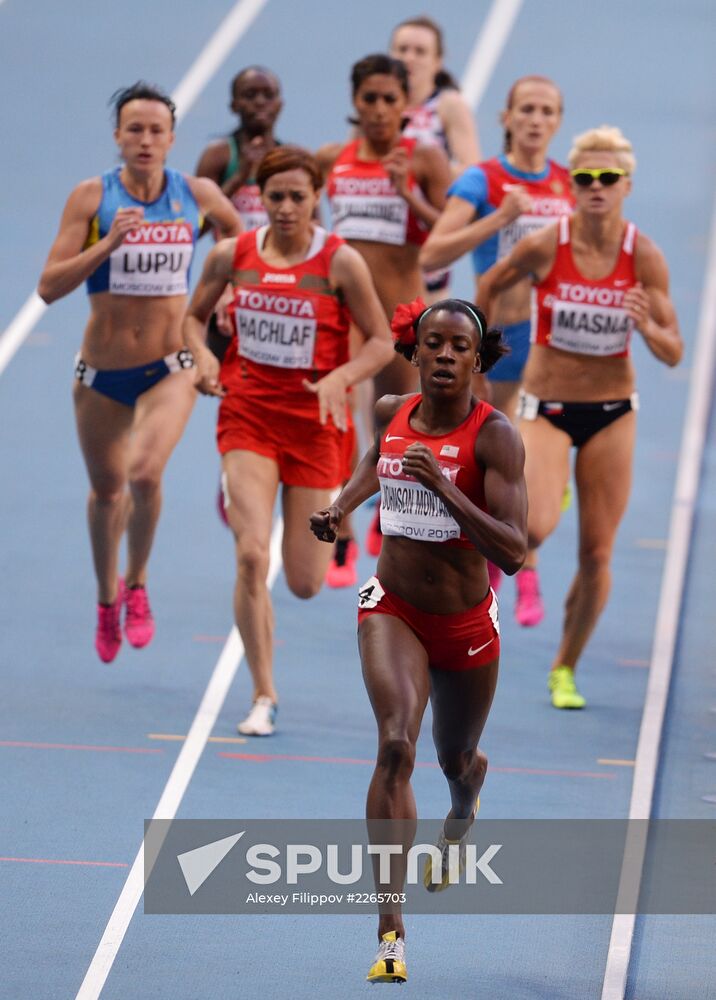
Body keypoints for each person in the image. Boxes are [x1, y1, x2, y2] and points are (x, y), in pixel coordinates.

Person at [310, 297, 527, 982]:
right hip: (394, 606)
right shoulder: (391, 412)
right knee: (396, 743)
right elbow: (379, 459)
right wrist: (341, 507)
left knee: (453, 757)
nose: (442, 355)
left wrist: (447, 492)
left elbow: (515, 551)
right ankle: (390, 931)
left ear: (475, 358)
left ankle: (467, 796)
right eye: (431, 343)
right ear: (415, 351)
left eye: (457, 346)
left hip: (464, 622)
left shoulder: (496, 438)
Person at [183, 146, 393, 736]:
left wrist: (340, 377)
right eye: (275, 196)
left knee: (302, 582)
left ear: (316, 198)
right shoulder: (233, 254)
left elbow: (380, 341)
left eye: (298, 197)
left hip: (316, 427)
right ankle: (263, 693)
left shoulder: (341, 263)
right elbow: (193, 317)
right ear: (261, 198)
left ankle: (263, 501)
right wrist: (201, 355)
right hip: (248, 415)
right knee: (252, 555)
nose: (285, 208)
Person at [477, 125, 682, 709]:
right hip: (547, 406)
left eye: (607, 179)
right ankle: (551, 488)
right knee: (533, 529)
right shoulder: (548, 244)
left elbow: (675, 352)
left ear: (626, 187)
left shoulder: (642, 255)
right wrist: (479, 362)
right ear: (573, 185)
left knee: (597, 554)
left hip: (613, 412)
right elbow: (491, 282)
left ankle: (565, 666)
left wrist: (646, 327)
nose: (596, 187)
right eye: (586, 178)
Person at [37, 81, 240, 664]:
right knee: (107, 492)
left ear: (172, 138)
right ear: (118, 137)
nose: (146, 140)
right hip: (101, 372)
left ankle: (139, 584)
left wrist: (225, 290)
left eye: (157, 130)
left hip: (169, 365)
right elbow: (49, 288)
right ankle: (106, 599)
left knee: (145, 475)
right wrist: (107, 244)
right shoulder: (90, 199)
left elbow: (239, 235)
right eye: (135, 129)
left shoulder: (194, 192)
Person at [420, 74, 573, 625]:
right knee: (490, 465)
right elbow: (434, 250)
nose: (535, 119)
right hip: (494, 341)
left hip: (549, 345)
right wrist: (501, 217)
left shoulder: (569, 184)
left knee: (521, 462)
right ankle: (497, 566)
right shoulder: (481, 179)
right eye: (525, 109)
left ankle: (525, 568)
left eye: (547, 110)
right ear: (506, 119)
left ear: (557, 122)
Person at [318, 53, 451, 560]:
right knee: (339, 410)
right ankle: (342, 523)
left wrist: (407, 195)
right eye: (368, 98)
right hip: (346, 312)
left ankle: (383, 508)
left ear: (405, 104)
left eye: (388, 99)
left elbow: (448, 235)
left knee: (392, 419)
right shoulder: (333, 157)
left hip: (401, 312)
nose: (377, 108)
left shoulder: (424, 160)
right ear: (355, 101)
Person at [194, 66, 284, 523]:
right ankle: (233, 474)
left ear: (281, 104)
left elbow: (317, 225)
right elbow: (191, 227)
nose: (259, 104)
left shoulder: (289, 159)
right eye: (249, 95)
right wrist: (241, 178)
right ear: (233, 104)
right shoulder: (218, 156)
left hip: (281, 299)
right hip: (230, 299)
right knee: (235, 396)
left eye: (268, 95)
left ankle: (269, 470)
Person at [390, 15, 481, 301]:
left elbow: (472, 171)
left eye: (420, 51)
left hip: (425, 242)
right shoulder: (376, 104)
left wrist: (424, 173)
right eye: (402, 49)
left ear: (438, 60)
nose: (409, 58)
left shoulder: (448, 106)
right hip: (383, 237)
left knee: (423, 336)